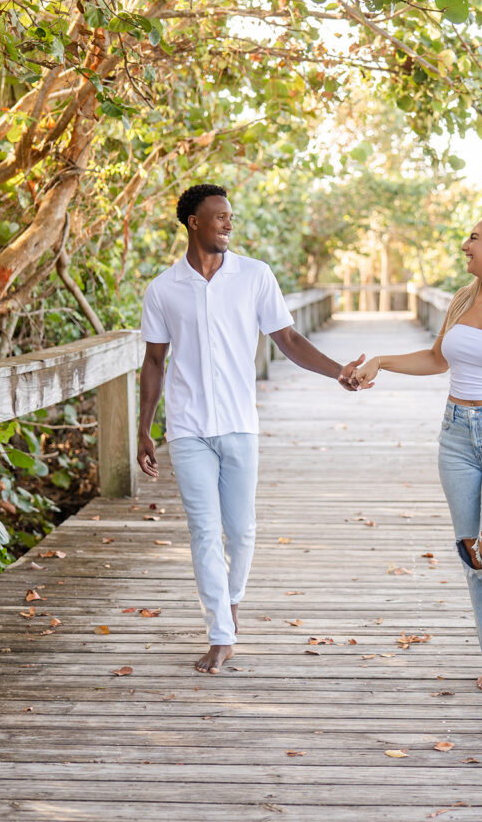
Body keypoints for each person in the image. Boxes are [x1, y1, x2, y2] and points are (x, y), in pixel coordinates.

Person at [137, 183, 363, 675]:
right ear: (193, 221)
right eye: (218, 216)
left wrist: (338, 371)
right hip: (188, 427)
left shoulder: (255, 276)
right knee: (203, 531)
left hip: (240, 423)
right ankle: (221, 633)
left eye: (230, 217)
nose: (228, 224)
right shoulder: (162, 289)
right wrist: (144, 429)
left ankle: (231, 601)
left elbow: (287, 338)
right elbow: (153, 362)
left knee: (240, 531)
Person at [352, 214, 482, 692]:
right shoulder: (463, 299)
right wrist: (381, 363)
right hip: (457, 435)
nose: (464, 244)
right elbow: (437, 359)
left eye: (474, 237)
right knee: (472, 551)